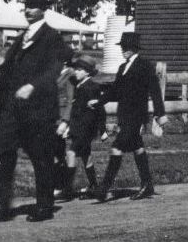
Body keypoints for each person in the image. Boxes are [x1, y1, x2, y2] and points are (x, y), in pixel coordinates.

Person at [0, 0, 71, 223]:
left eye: (33, 6)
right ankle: (2, 205)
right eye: (26, 6)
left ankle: (45, 206)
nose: (28, 10)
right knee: (3, 152)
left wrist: (33, 85)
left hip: (38, 109)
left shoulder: (52, 37)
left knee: (40, 156)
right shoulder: (22, 37)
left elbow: (54, 68)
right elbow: (9, 69)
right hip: (12, 108)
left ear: (43, 10)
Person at [92, 33, 168, 202]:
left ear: (134, 48)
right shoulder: (122, 68)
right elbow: (115, 91)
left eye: (126, 47)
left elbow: (155, 90)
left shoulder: (144, 66)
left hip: (136, 116)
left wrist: (159, 113)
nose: (123, 50)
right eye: (122, 47)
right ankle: (147, 185)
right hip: (124, 115)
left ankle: (104, 188)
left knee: (117, 147)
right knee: (137, 147)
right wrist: (99, 101)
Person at [58, 55, 106, 199]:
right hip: (78, 127)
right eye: (76, 69)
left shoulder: (92, 87)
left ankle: (67, 188)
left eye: (79, 70)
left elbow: (100, 110)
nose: (76, 72)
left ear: (87, 72)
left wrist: (102, 130)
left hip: (86, 128)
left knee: (71, 153)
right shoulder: (78, 86)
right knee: (86, 156)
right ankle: (94, 185)